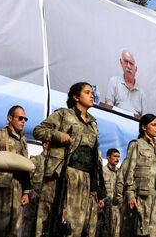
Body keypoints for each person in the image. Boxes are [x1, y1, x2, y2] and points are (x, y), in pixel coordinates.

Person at [32, 82, 106, 237]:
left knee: (75, 227)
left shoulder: (93, 124)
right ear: (76, 97)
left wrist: (95, 184)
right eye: (87, 92)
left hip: (84, 179)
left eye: (92, 93)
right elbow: (38, 131)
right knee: (52, 222)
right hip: (63, 175)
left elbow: (94, 155)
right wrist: (60, 136)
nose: (92, 95)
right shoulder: (64, 114)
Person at [0, 105, 33, 237]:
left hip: (17, 189)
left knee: (12, 230)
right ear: (10, 118)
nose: (23, 121)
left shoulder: (23, 140)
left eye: (25, 119)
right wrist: (12, 161)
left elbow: (25, 167)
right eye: (20, 118)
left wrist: (26, 192)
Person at [117, 114, 156, 237]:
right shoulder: (137, 144)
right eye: (154, 125)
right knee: (140, 232)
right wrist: (130, 195)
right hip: (141, 198)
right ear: (144, 127)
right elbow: (129, 171)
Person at [103, 50, 146, 116]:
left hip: (134, 124)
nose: (128, 66)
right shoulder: (114, 81)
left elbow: (145, 118)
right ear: (121, 62)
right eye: (126, 61)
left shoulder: (141, 92)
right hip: (116, 120)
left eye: (131, 63)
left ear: (136, 69)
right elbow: (108, 108)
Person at [21, 141, 48, 237]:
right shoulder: (36, 160)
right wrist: (32, 193)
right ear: (45, 144)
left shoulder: (54, 165)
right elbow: (25, 181)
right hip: (32, 207)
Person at [98, 148, 121, 237]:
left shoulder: (120, 173)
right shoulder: (102, 171)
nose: (117, 159)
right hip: (104, 208)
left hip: (116, 209)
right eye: (115, 156)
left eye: (118, 157)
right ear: (108, 157)